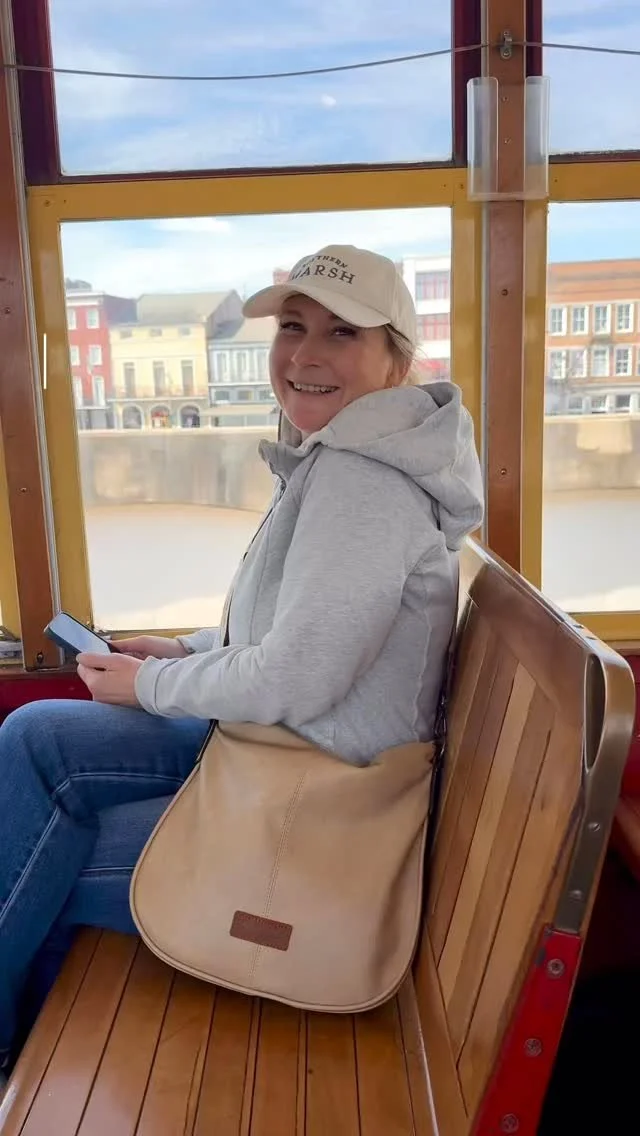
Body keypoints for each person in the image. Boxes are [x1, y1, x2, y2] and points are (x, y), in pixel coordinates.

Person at [0, 244, 483, 1075]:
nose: (305, 354)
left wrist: (152, 685)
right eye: (293, 327)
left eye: (342, 333)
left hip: (314, 803)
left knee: (40, 861)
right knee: (35, 736)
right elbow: (291, 626)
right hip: (267, 750)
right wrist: (186, 650)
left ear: (396, 359)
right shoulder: (340, 457)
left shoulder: (366, 485)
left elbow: (297, 676)